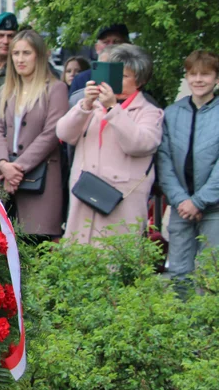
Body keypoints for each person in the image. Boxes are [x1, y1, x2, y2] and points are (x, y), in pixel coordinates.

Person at [56, 44, 162, 244]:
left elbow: (139, 144)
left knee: (115, 261)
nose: (116, 81)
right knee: (79, 260)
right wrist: (85, 105)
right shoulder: (92, 105)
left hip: (120, 204)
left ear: (140, 81)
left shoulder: (148, 111)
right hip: (83, 199)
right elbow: (63, 133)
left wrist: (113, 108)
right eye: (114, 74)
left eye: (124, 76)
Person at [0, 30, 69, 239]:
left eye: (26, 53)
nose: (20, 59)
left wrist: (17, 169)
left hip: (40, 181)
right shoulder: (8, 90)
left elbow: (51, 134)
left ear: (39, 56)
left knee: (37, 247)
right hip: (6, 179)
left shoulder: (55, 89)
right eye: (15, 53)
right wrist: (3, 164)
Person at [158, 50, 219, 283]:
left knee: (210, 274)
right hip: (180, 206)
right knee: (179, 274)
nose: (198, 80)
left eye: (205, 74)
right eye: (193, 74)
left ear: (217, 78)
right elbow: (163, 160)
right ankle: (181, 319)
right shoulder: (172, 113)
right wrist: (181, 200)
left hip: (214, 208)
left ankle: (208, 321)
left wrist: (199, 201)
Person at [69, 23, 131, 96]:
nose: (111, 46)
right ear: (97, 47)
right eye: (106, 42)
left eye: (116, 42)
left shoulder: (135, 78)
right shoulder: (81, 79)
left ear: (128, 46)